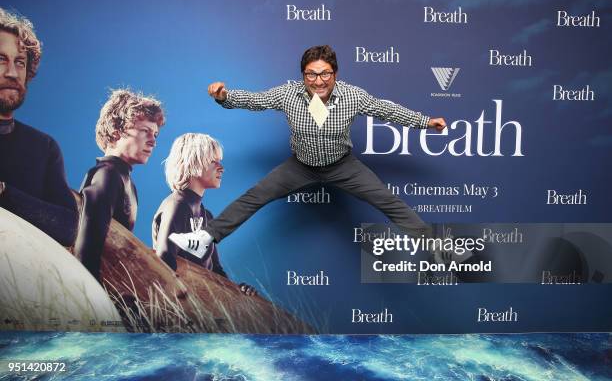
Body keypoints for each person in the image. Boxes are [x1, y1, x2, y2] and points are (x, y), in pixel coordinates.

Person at [172, 45, 447, 255]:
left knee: (388, 201)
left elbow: (387, 110)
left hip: (343, 166)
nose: (318, 81)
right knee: (254, 196)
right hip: (300, 166)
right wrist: (225, 97)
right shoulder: (289, 93)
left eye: (325, 73)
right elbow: (258, 100)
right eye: (311, 74)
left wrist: (425, 122)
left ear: (335, 74)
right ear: (303, 75)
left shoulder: (353, 96)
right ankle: (204, 239)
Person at [0, 8, 78, 246]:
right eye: (0, 60)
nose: (13, 72)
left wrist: (4, 193)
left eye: (20, 62)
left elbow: (68, 227)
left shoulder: (44, 147)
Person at [73, 89, 164, 281]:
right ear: (116, 132)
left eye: (155, 134)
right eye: (145, 131)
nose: (153, 141)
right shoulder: (107, 175)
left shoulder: (128, 184)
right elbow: (85, 249)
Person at [152, 133, 256, 296]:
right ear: (192, 163)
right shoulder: (176, 206)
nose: (221, 167)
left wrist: (238, 291)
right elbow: (164, 261)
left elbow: (215, 269)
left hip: (205, 305)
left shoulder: (206, 215)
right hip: (182, 310)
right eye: (213, 161)